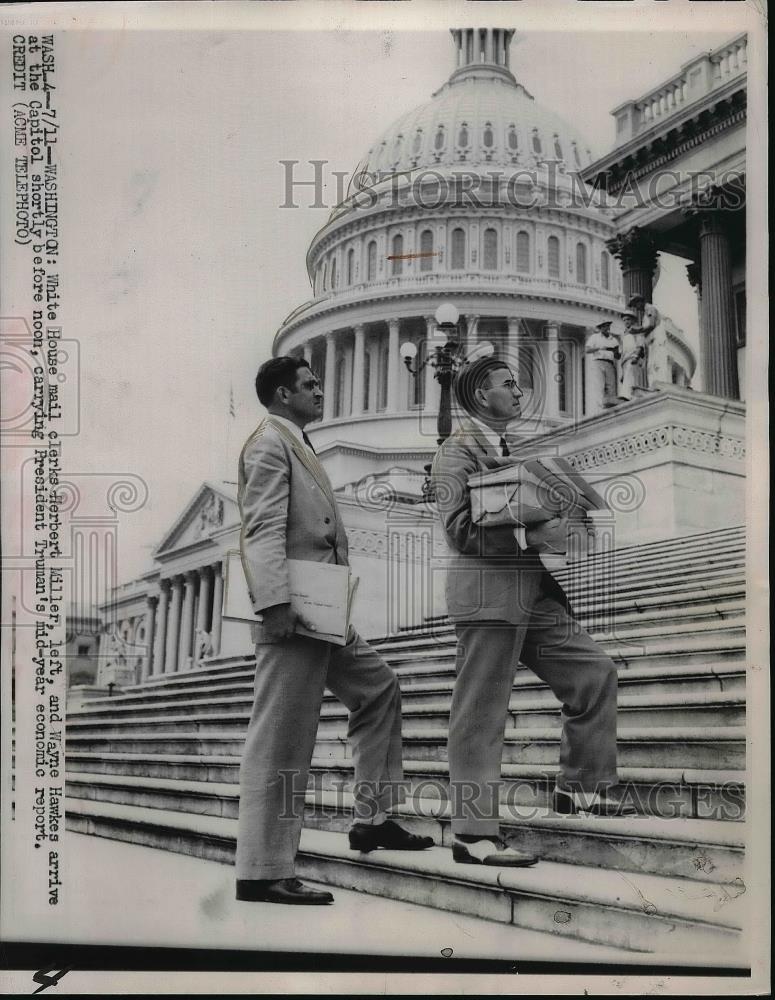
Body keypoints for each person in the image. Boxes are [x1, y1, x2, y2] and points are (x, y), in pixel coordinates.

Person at [236, 356, 432, 906]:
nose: (320, 390)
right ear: (280, 394)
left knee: (379, 688)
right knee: (282, 735)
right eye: (309, 384)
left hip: (322, 610)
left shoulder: (297, 442)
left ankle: (374, 819)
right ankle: (262, 869)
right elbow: (262, 529)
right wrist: (273, 602)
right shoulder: (269, 443)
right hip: (293, 609)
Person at [431, 356, 634, 868]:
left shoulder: (509, 452)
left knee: (594, 672)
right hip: (488, 597)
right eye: (508, 384)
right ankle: (473, 835)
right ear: (481, 395)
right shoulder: (455, 452)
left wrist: (563, 523)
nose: (519, 391)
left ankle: (582, 788)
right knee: (481, 713)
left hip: (533, 593)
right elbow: (458, 528)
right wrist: (530, 533)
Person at [584, 320, 621, 410]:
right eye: (604, 326)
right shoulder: (595, 337)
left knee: (611, 385)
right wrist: (600, 348)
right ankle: (599, 408)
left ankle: (610, 406)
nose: (607, 328)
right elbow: (587, 350)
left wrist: (614, 351)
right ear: (600, 328)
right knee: (599, 385)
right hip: (598, 362)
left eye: (608, 326)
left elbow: (618, 356)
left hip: (610, 362)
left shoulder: (613, 340)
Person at [618, 308, 648, 401]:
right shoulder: (624, 334)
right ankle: (630, 395)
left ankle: (627, 395)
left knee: (631, 376)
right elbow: (623, 350)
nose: (626, 322)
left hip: (633, 357)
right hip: (625, 359)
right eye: (624, 320)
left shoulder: (636, 331)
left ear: (633, 320)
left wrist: (636, 356)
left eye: (628, 319)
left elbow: (640, 344)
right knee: (628, 377)